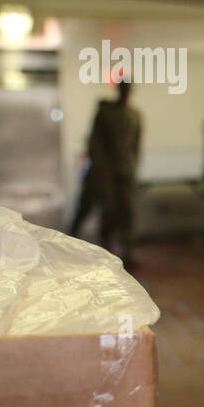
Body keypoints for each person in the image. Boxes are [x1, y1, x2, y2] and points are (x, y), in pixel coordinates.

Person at [79, 73, 141, 265]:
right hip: (106, 174)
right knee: (107, 212)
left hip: (125, 173)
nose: (126, 91)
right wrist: (102, 173)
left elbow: (136, 146)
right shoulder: (106, 112)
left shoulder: (134, 115)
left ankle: (126, 252)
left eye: (128, 88)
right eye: (123, 87)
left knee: (127, 214)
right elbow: (95, 145)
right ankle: (105, 252)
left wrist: (132, 168)